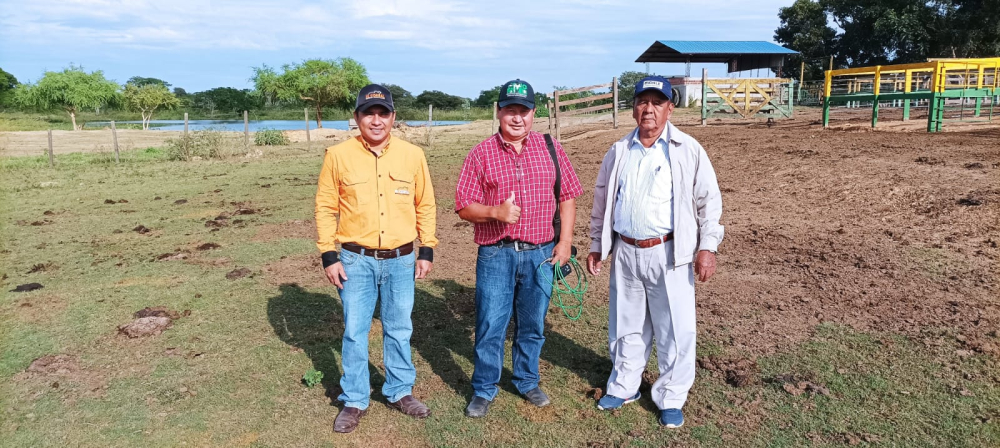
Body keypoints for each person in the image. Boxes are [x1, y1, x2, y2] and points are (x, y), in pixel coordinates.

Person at [586, 75, 724, 428]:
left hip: (669, 252)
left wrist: (707, 247)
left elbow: (709, 201)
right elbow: (602, 200)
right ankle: (624, 385)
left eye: (657, 103)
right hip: (626, 252)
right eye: (642, 102)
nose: (648, 109)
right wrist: (597, 244)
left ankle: (671, 397)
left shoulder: (687, 149)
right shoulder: (618, 150)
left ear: (669, 108)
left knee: (674, 328)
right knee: (625, 324)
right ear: (633, 107)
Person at [455, 79, 583, 418]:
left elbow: (567, 196)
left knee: (532, 323)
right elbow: (464, 206)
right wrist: (494, 212)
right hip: (497, 253)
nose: (517, 117)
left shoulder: (551, 148)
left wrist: (565, 242)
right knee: (490, 323)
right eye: (510, 110)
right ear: (498, 112)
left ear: (533, 113)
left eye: (523, 111)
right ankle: (484, 387)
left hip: (541, 253)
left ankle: (526, 380)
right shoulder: (481, 153)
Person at [315, 83, 438, 433]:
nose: (376, 119)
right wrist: (328, 254)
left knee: (399, 328)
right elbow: (325, 207)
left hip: (401, 258)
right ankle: (354, 399)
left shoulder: (412, 155)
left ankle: (400, 391)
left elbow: (425, 203)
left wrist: (426, 248)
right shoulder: (337, 156)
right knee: (355, 331)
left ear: (393, 117)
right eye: (368, 113)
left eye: (383, 113)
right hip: (355, 259)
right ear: (356, 118)